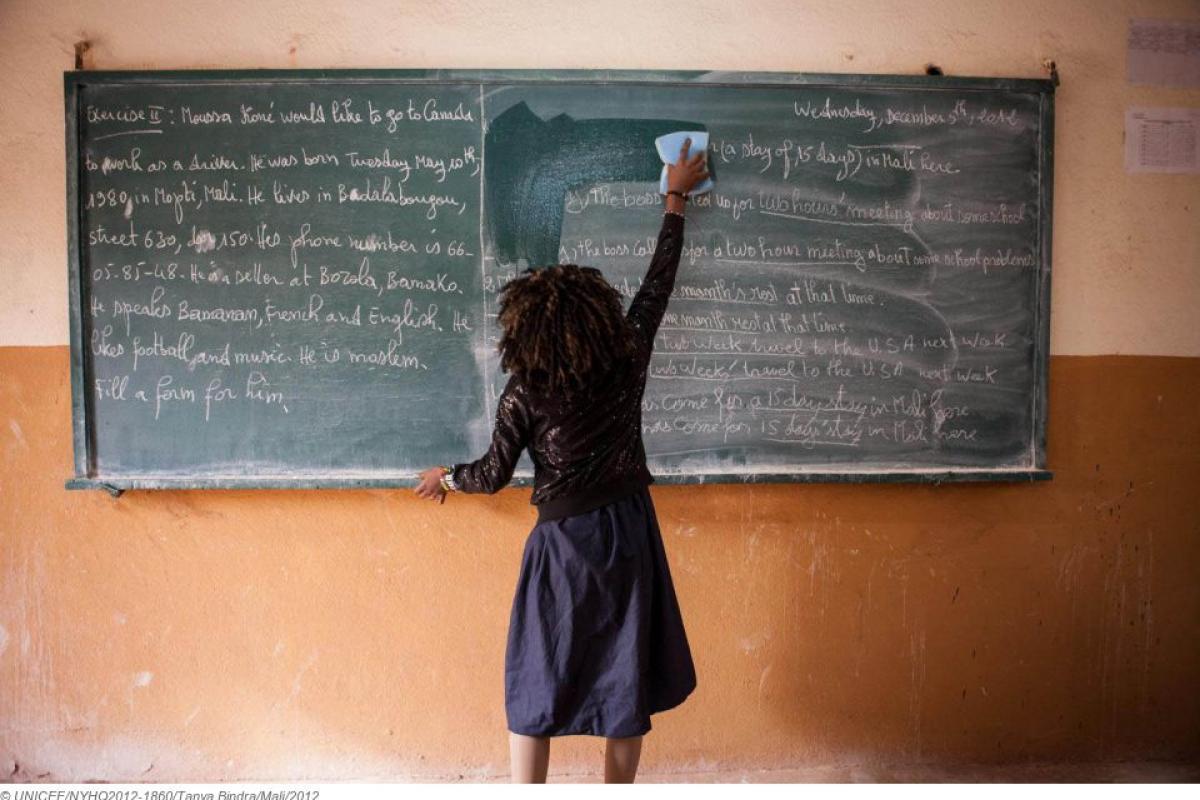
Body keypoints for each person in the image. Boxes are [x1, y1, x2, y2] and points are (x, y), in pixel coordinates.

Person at [414, 138, 709, 783]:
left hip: (562, 547)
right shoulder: (627, 355)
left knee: (538, 673)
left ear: (524, 328)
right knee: (624, 671)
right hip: (629, 533)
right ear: (598, 318)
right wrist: (675, 198)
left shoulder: (524, 391)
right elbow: (658, 285)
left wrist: (446, 479)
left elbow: (491, 474)